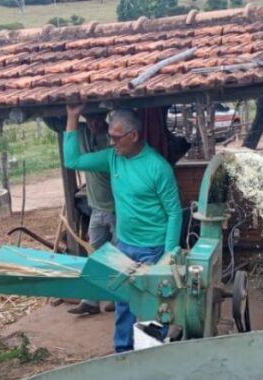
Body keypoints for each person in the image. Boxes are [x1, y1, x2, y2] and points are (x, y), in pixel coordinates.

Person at [62, 104, 183, 353]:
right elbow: (72, 160)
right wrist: (73, 116)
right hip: (125, 246)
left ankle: (153, 353)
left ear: (134, 136)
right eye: (110, 137)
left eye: (116, 138)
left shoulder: (158, 167)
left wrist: (169, 255)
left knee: (154, 305)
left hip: (155, 248)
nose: (111, 142)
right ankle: (123, 353)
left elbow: (174, 212)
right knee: (123, 304)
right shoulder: (112, 158)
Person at [66, 111, 117, 316]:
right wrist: (71, 113)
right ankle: (91, 301)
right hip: (97, 209)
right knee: (94, 254)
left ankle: (117, 296)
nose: (93, 123)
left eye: (96, 118)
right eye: (89, 119)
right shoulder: (85, 134)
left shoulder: (114, 142)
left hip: (118, 210)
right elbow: (56, 124)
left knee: (117, 256)